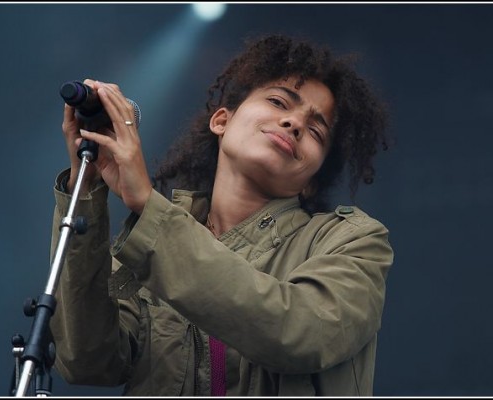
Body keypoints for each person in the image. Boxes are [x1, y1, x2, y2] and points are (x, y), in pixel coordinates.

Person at [49, 33, 394, 396]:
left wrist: (151, 207)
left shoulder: (354, 240)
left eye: (315, 130)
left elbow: (302, 333)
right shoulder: (151, 240)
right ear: (221, 121)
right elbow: (87, 360)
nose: (294, 123)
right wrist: (84, 189)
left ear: (310, 182)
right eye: (278, 102)